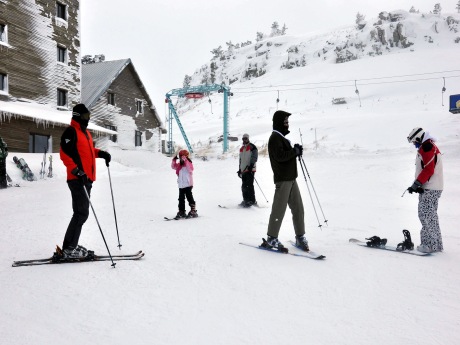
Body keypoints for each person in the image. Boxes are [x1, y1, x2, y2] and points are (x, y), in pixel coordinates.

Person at [60, 104, 111, 258]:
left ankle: (70, 246)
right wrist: (77, 171)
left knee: (80, 213)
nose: (87, 119)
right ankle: (69, 248)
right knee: (81, 213)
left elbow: (87, 153)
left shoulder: (86, 133)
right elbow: (64, 154)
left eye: (88, 116)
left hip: (86, 179)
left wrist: (101, 153)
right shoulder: (71, 132)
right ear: (77, 116)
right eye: (85, 116)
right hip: (77, 179)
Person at [262, 110, 309, 252]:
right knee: (279, 209)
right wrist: (293, 152)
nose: (287, 124)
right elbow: (280, 156)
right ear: (279, 123)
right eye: (285, 122)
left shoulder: (281, 137)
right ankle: (272, 237)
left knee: (298, 208)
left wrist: (295, 150)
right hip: (283, 180)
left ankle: (300, 236)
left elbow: (286, 154)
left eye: (288, 122)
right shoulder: (275, 138)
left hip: (291, 179)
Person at [406, 127, 444, 253]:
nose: (414, 145)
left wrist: (416, 184)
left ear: (419, 138)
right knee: (430, 216)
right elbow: (425, 169)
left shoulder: (427, 148)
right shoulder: (428, 146)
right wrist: (418, 185)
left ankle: (429, 245)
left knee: (425, 215)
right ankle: (436, 245)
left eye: (414, 142)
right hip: (431, 186)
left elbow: (428, 170)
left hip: (431, 187)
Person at [171, 149, 197, 218]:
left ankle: (193, 210)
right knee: (181, 199)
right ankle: (181, 211)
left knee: (189, 197)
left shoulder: (189, 164)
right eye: (180, 158)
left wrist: (186, 160)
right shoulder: (179, 165)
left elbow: (190, 169)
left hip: (188, 185)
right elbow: (173, 167)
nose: (181, 159)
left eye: (183, 157)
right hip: (181, 185)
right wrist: (174, 160)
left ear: (186, 157)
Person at [237, 133, 258, 207]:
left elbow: (255, 156)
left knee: (249, 185)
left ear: (248, 139)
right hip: (243, 170)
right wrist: (239, 169)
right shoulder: (242, 149)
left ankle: (252, 201)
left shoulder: (252, 147)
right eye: (243, 139)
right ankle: (245, 200)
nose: (244, 140)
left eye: (246, 138)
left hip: (250, 169)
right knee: (244, 186)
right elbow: (241, 160)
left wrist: (251, 165)